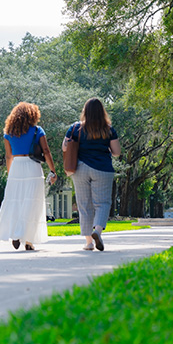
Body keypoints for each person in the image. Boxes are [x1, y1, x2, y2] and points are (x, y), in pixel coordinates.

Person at [0, 102, 57, 251]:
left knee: (15, 202)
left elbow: (8, 156)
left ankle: (16, 233)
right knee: (33, 204)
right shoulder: (37, 130)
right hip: (33, 167)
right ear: (33, 115)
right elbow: (46, 151)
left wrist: (11, 175)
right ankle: (28, 240)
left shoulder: (8, 133)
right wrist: (52, 171)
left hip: (16, 167)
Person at [62, 97, 121, 251]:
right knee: (102, 203)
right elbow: (117, 153)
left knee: (84, 205)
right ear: (102, 112)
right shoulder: (109, 129)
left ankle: (88, 242)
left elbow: (64, 147)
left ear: (85, 111)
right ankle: (97, 231)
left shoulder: (75, 128)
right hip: (102, 169)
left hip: (80, 169)